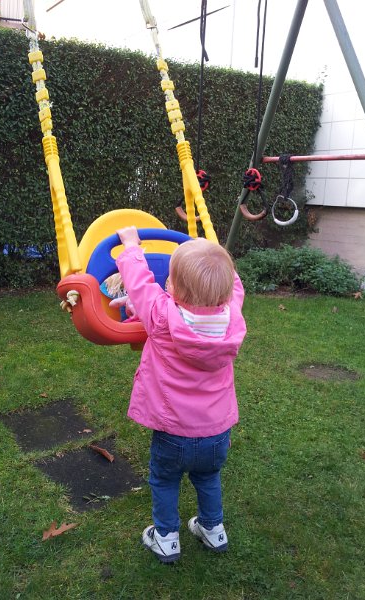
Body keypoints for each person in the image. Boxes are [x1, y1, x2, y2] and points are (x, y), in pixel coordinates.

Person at [115, 226, 247, 564]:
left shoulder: (162, 315)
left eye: (171, 279)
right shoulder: (232, 315)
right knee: (208, 477)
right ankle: (213, 530)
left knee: (164, 479)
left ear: (174, 288)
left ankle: (166, 538)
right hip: (216, 432)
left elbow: (139, 283)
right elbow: (234, 284)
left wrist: (131, 246)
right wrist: (212, 254)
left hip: (173, 430)